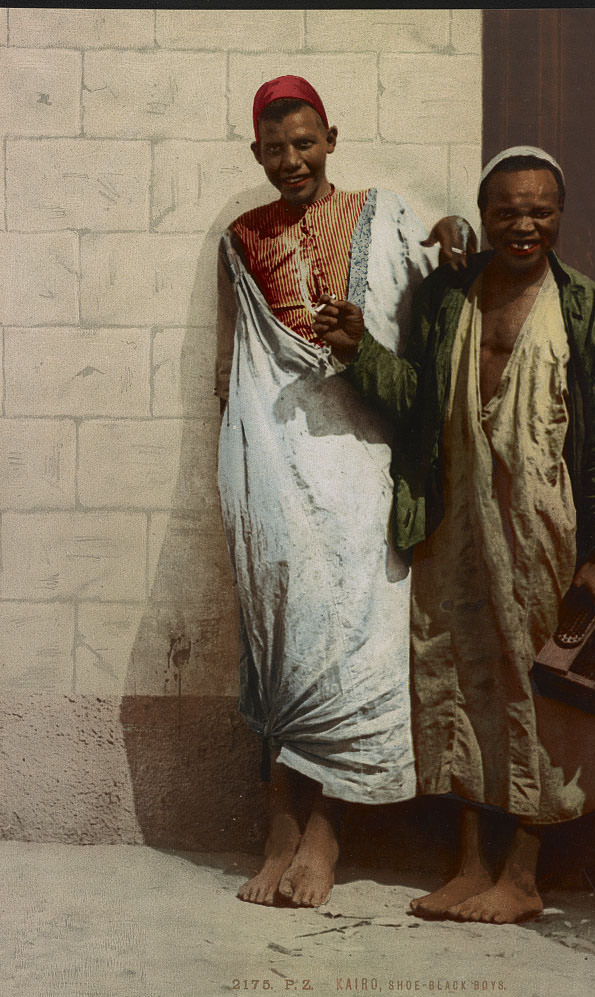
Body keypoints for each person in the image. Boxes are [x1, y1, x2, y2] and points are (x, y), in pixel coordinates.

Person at [313, 146, 595, 924]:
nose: (523, 224)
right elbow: (416, 400)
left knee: (541, 689)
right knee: (460, 679)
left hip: (543, 526)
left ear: (559, 216)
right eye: (507, 210)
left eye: (540, 210)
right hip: (455, 516)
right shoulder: (447, 298)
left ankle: (523, 876)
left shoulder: (590, 309)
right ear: (485, 211)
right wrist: (358, 348)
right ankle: (469, 866)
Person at [215, 74, 475, 910]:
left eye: (305, 143)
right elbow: (241, 364)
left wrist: (452, 228)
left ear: (331, 137)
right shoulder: (241, 236)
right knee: (286, 632)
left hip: (362, 462)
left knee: (351, 635)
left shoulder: (383, 210)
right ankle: (279, 825)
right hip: (277, 461)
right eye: (275, 148)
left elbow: (442, 265)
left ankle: (325, 831)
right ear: (257, 152)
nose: (292, 160)